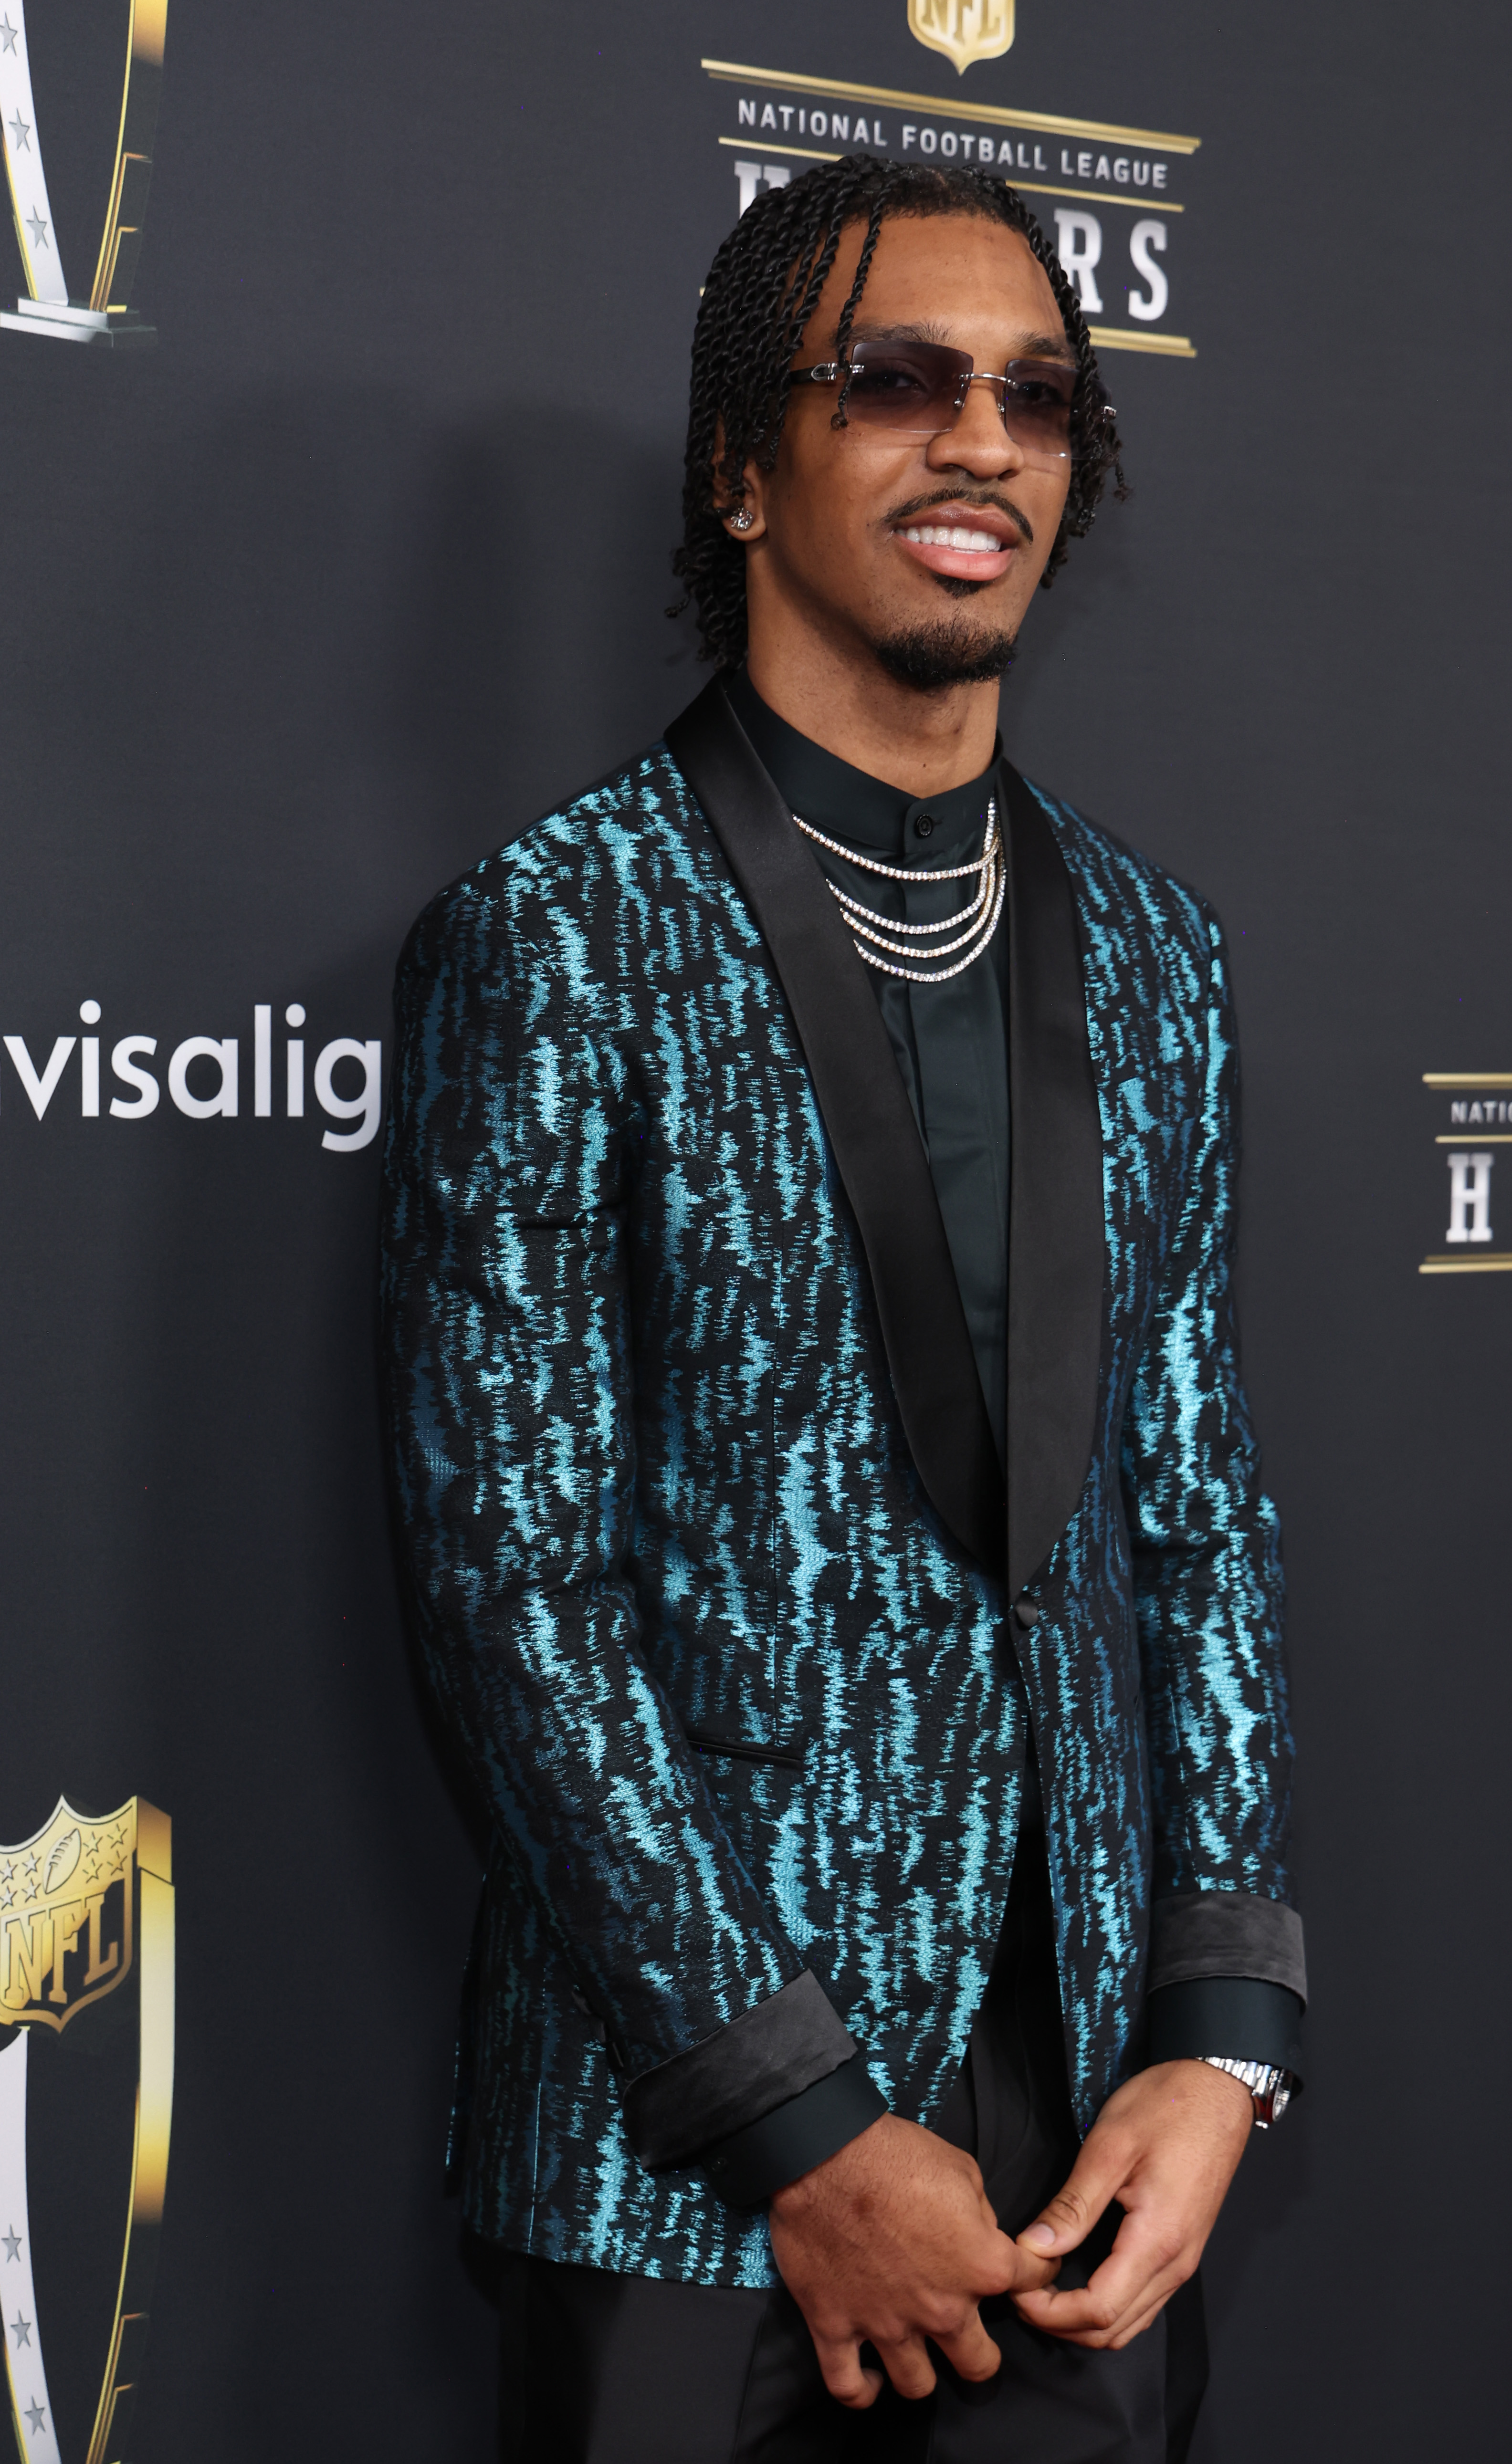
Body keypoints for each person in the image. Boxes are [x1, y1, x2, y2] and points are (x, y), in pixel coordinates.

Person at [380, 157, 1304, 2464]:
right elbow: (515, 1592)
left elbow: (1193, 1513)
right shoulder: (561, 934)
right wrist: (797, 2124)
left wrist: (1219, 2040)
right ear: (739, 463)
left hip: (1083, 2164)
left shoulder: (1158, 957)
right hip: (685, 2194)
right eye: (891, 380)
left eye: (1037, 396)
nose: (977, 439)